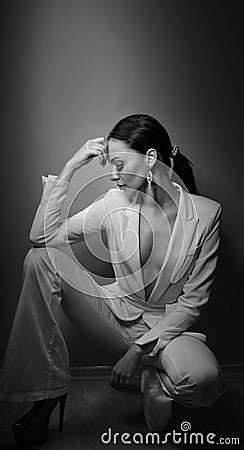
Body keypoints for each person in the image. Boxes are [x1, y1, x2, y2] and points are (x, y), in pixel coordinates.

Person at [0, 114, 225, 444]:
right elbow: (41, 237)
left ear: (150, 158)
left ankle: (154, 373)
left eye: (120, 163)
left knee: (204, 384)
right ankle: (47, 393)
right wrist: (71, 167)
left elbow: (192, 304)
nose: (114, 175)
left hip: (166, 330)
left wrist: (136, 352)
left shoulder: (206, 214)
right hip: (115, 316)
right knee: (40, 259)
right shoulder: (113, 203)